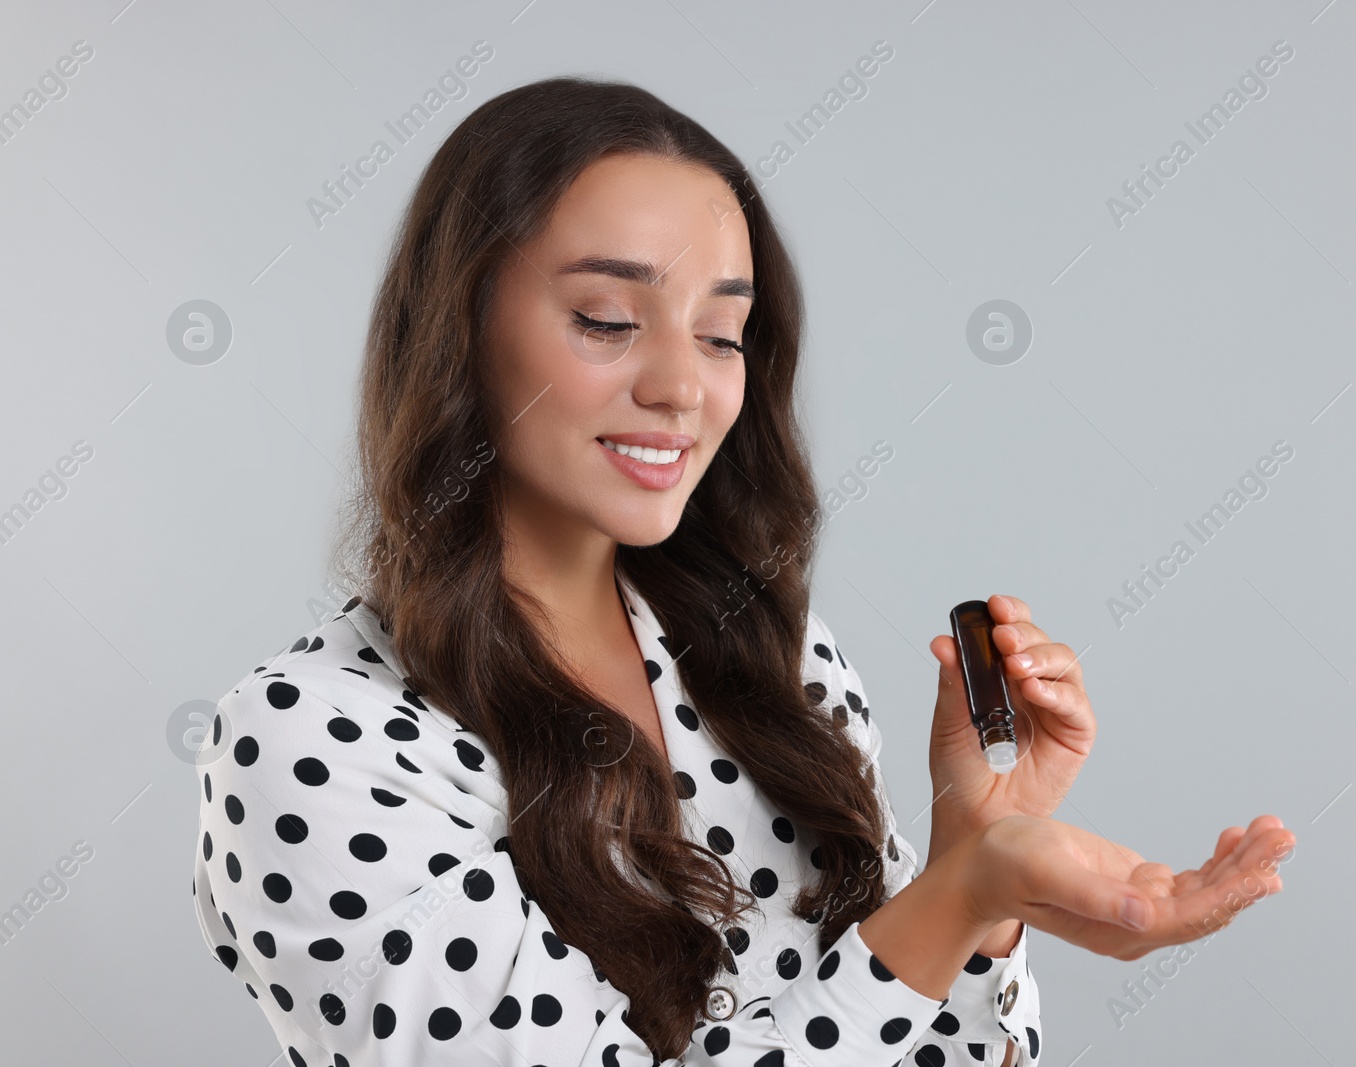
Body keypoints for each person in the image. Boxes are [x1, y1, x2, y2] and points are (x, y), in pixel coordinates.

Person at [191, 76, 1295, 1067]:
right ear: (457, 331)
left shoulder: (771, 660)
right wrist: (960, 893)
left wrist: (974, 862)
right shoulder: (312, 742)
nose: (684, 386)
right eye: (607, 320)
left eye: (724, 334)